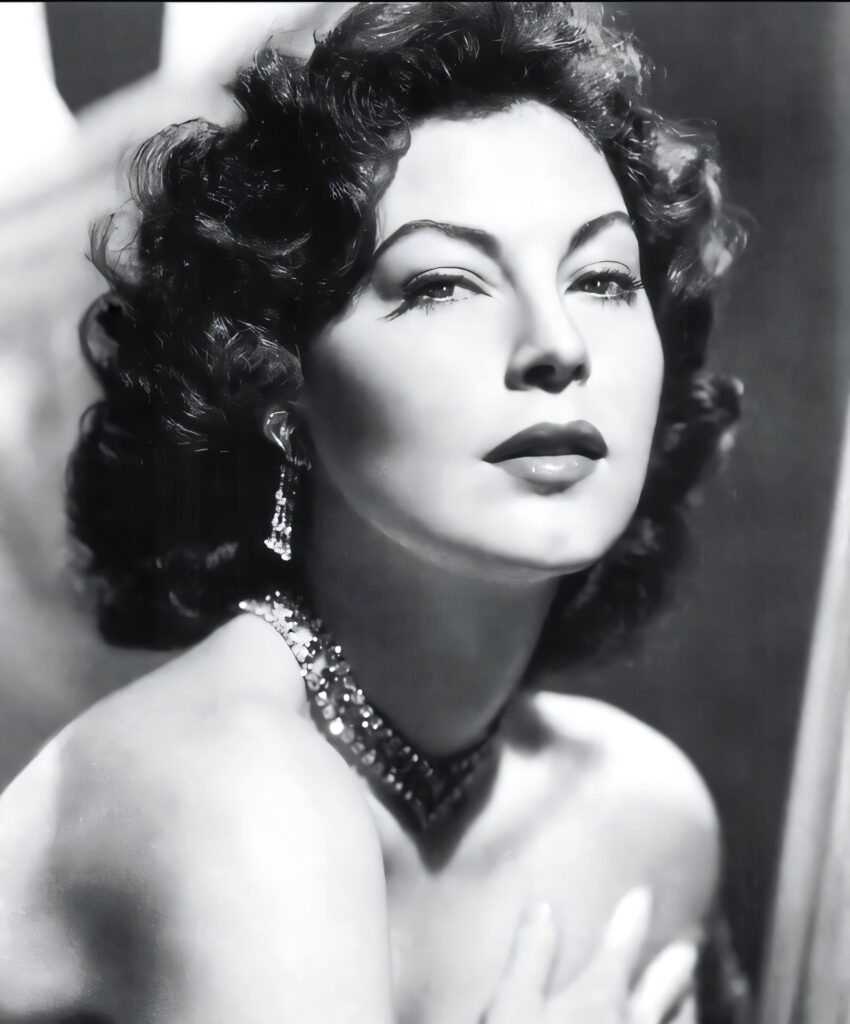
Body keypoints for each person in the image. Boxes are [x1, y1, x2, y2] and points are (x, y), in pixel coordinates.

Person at [0, 3, 750, 1021]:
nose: (555, 344)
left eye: (603, 278)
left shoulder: (642, 815)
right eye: (445, 284)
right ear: (275, 387)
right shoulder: (225, 790)